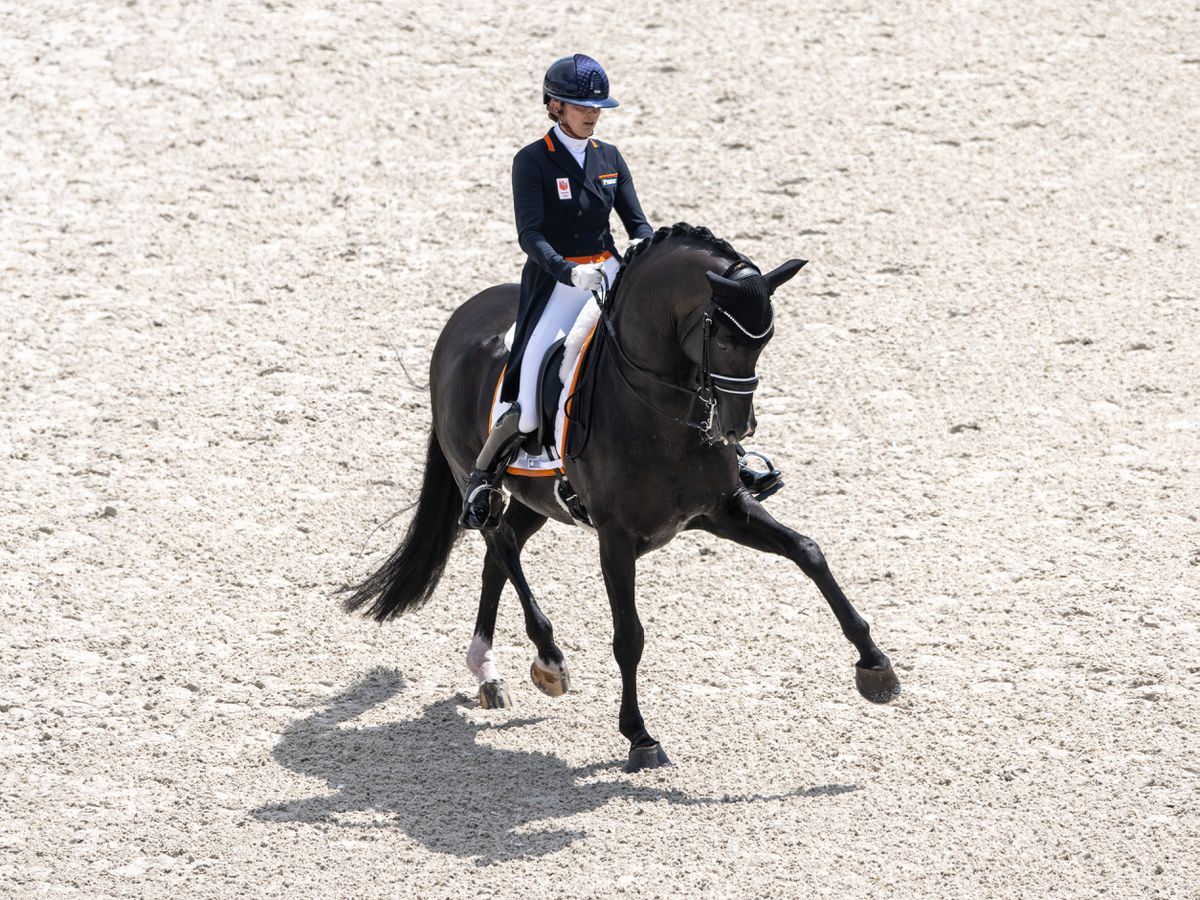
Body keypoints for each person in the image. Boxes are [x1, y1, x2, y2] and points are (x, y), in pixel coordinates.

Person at [459, 54, 782, 530]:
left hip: (612, 275)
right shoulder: (531, 161)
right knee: (530, 386)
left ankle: (734, 454)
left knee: (682, 354)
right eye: (578, 106)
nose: (590, 114)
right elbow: (531, 235)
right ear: (554, 106)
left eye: (596, 107)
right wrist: (568, 272)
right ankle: (483, 477)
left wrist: (641, 252)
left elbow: (637, 223)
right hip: (557, 286)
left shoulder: (609, 158)